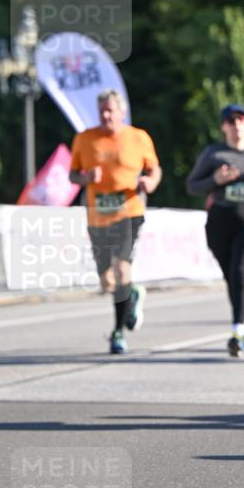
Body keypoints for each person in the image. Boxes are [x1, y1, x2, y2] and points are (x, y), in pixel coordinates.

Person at [70, 89, 161, 354]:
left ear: (122, 111)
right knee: (107, 282)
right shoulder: (84, 138)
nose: (106, 115)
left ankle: (118, 332)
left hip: (129, 212)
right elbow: (72, 175)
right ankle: (132, 295)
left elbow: (154, 169)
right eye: (102, 111)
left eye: (111, 110)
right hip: (97, 216)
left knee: (121, 270)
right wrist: (86, 178)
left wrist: (150, 182)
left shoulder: (138, 137)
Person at [187, 103, 244, 356]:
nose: (236, 124)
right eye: (230, 120)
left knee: (240, 271)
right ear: (223, 127)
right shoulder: (213, 154)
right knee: (231, 277)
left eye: (240, 119)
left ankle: (238, 331)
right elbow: (192, 186)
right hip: (219, 223)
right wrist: (215, 180)